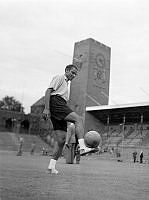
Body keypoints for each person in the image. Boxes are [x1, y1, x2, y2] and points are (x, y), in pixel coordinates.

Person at [43, 64, 97, 174]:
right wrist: (46, 108)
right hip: (56, 103)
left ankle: (51, 166)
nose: (74, 75)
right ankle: (82, 147)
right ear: (66, 70)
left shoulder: (66, 84)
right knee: (79, 119)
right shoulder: (59, 77)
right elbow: (48, 91)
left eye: (75, 74)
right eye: (72, 72)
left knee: (61, 140)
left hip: (60, 104)